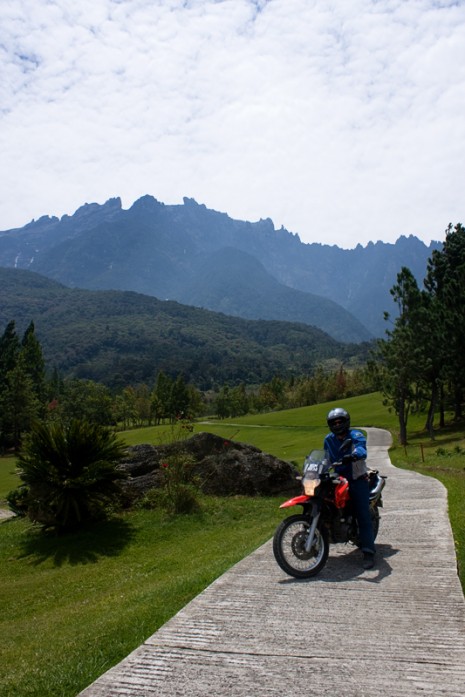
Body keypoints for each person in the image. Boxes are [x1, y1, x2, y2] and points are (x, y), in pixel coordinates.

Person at [324, 407, 375, 569]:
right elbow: (325, 457)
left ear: (346, 422)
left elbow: (361, 449)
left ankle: (368, 552)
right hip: (339, 478)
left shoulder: (355, 435)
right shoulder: (328, 439)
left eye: (340, 421)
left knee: (362, 513)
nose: (337, 425)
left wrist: (354, 455)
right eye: (334, 422)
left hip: (356, 477)